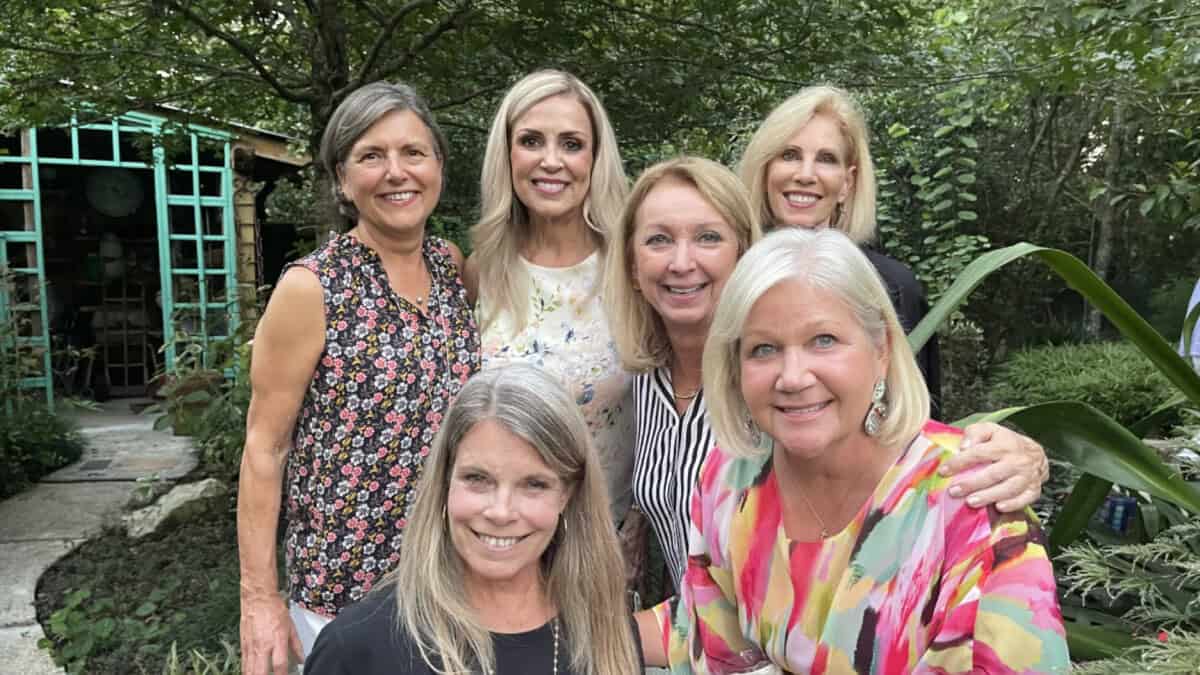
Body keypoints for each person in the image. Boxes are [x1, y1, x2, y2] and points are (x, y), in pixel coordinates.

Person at [605, 157, 1049, 593]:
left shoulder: (802, 387)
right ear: (632, 265)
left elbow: (911, 456)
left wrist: (1023, 457)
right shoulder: (641, 380)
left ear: (745, 255)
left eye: (708, 238)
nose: (682, 262)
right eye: (658, 240)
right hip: (712, 636)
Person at [643, 228, 1069, 673]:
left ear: (881, 348)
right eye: (763, 349)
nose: (792, 376)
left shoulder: (971, 499)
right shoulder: (732, 481)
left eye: (823, 340)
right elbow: (713, 651)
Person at [237, 81, 480, 674]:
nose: (396, 172)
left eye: (413, 153)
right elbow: (264, 449)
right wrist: (260, 599)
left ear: (438, 167)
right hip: (343, 592)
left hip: (450, 581)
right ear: (343, 180)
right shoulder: (311, 287)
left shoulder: (451, 269)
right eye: (371, 156)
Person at [305, 365, 642, 675]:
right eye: (478, 479)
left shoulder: (606, 631)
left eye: (534, 484)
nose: (501, 511)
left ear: (567, 495)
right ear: (445, 481)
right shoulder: (358, 649)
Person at [463, 69, 636, 522]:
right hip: (498, 533)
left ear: (596, 158)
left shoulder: (631, 270)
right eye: (532, 141)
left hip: (604, 538)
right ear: (507, 154)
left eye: (572, 144)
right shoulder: (482, 270)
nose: (551, 161)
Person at [739, 84, 943, 414]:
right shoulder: (731, 277)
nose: (805, 174)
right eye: (789, 155)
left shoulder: (890, 287)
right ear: (765, 170)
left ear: (847, 183)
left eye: (826, 159)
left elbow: (916, 418)